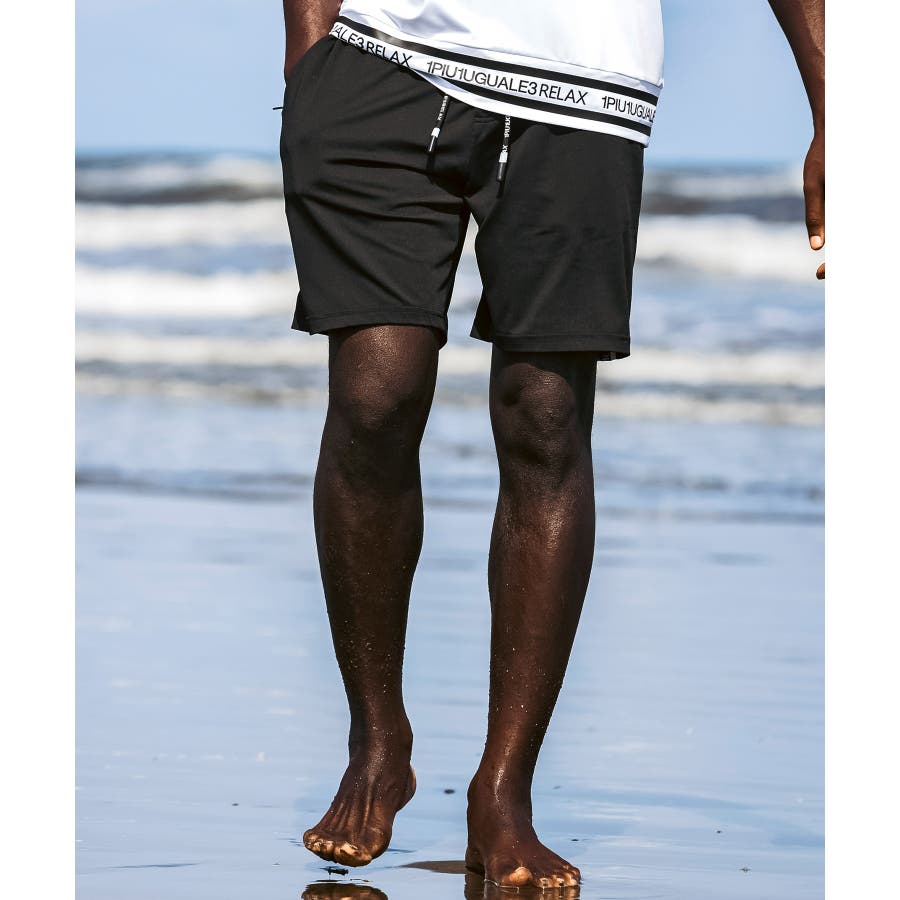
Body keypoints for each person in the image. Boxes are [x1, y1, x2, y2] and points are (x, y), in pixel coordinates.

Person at [279, 0, 824, 890]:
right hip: (381, 58)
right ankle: (377, 741)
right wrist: (306, 57)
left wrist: (834, 103)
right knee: (375, 397)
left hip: (584, 93)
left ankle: (504, 791)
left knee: (545, 417)